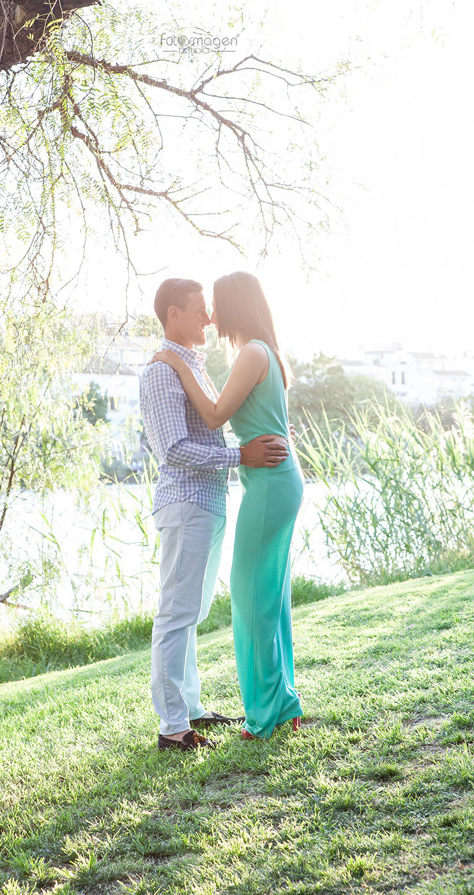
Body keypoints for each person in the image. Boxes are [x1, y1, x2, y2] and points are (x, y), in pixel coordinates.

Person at [150, 271, 303, 739]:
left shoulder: (251, 352)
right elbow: (242, 415)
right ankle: (283, 704)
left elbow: (216, 414)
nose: (210, 316)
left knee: (251, 600)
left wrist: (179, 366)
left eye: (214, 305)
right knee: (269, 598)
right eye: (202, 308)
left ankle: (262, 717)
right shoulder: (261, 351)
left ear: (233, 305)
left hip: (269, 482)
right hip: (274, 480)